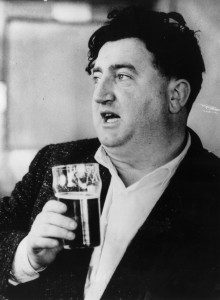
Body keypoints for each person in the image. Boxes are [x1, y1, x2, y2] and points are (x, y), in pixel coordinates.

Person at [0, 5, 220, 300]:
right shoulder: (55, 162)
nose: (100, 94)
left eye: (123, 76)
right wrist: (26, 255)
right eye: (97, 76)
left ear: (176, 95)